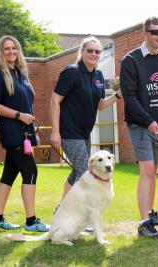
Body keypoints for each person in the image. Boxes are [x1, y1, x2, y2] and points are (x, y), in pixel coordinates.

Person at [120, 16, 158, 239]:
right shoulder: (131, 60)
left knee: (153, 172)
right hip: (140, 125)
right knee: (146, 171)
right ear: (145, 34)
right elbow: (130, 97)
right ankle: (143, 223)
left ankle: (151, 214)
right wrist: (148, 120)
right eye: (155, 32)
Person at [0, 35, 49, 234]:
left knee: (9, 174)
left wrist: (32, 131)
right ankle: (31, 221)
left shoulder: (21, 74)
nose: (11, 52)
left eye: (14, 48)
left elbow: (26, 105)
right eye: (7, 49)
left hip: (25, 133)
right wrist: (18, 115)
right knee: (31, 172)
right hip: (12, 133)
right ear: (1, 52)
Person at [50, 36, 122, 204]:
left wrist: (118, 95)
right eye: (90, 51)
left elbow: (100, 105)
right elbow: (55, 100)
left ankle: (61, 209)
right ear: (82, 52)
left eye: (97, 51)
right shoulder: (72, 72)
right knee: (86, 174)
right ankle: (87, 216)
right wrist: (55, 131)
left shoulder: (98, 75)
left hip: (84, 134)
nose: (94, 54)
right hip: (69, 132)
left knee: (77, 173)